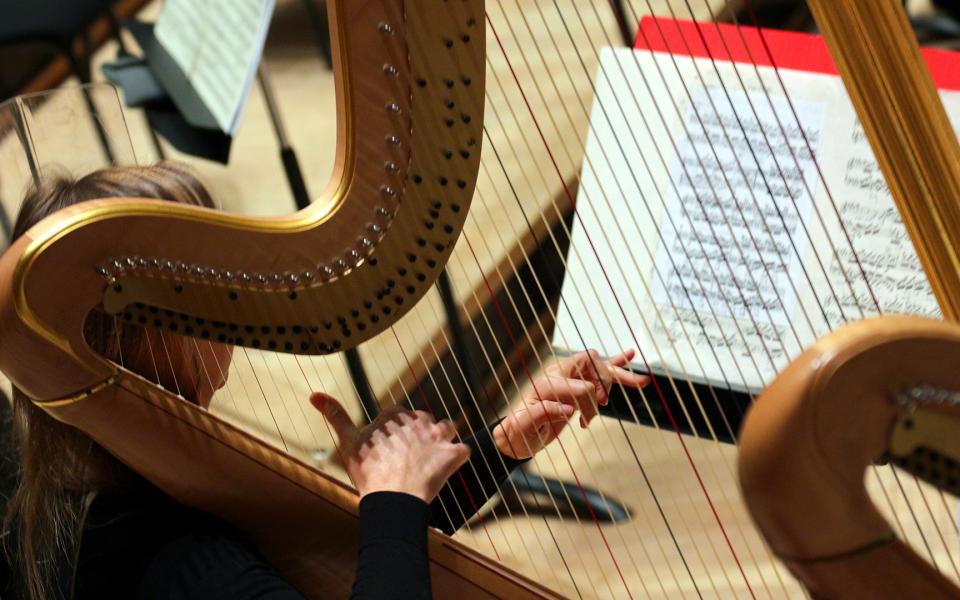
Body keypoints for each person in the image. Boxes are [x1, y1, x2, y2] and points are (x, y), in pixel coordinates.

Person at [0, 163, 649, 599]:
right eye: (200, 280)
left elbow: (337, 552)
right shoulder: (180, 562)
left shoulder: (118, 468)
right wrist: (391, 500)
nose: (232, 297)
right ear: (135, 335)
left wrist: (504, 443)